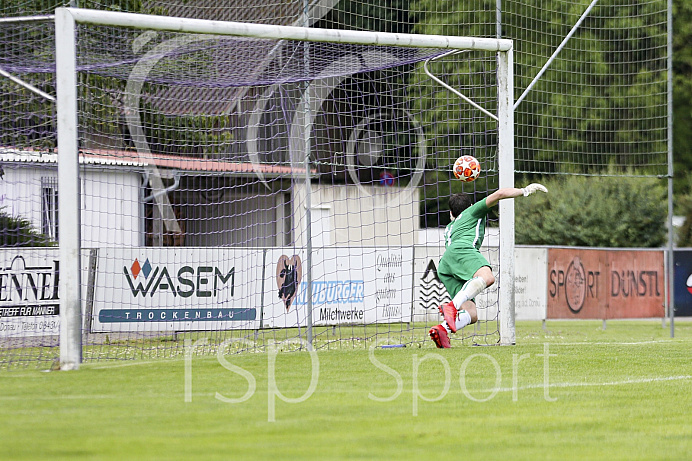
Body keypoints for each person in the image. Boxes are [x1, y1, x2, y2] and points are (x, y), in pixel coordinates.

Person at [429, 183, 548, 348]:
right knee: (487, 277)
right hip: (462, 249)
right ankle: (451, 307)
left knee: (471, 313)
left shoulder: (450, 227)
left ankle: (442, 329)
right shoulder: (472, 211)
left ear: (451, 214)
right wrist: (524, 191)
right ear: (470, 206)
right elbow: (499, 194)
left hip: (445, 265)